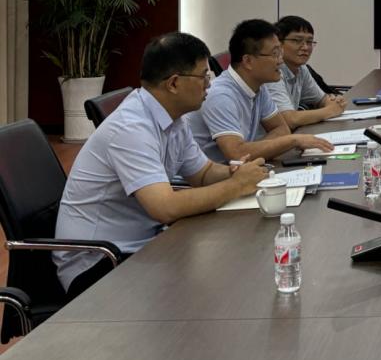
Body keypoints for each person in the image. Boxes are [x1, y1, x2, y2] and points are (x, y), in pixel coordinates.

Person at [54, 32, 270, 297]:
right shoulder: (131, 128)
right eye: (203, 76)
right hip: (98, 262)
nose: (209, 85)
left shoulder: (174, 119)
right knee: (216, 286)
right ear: (174, 83)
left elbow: (202, 173)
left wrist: (236, 172)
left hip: (144, 244)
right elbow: (165, 208)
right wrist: (236, 186)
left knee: (228, 269)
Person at [186, 19, 334, 162]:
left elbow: (281, 129)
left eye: (280, 53)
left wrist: (254, 150)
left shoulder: (259, 87)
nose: (281, 60)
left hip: (243, 169)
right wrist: (292, 141)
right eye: (275, 54)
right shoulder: (220, 95)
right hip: (212, 175)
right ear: (248, 61)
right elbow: (237, 154)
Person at [263, 15, 347, 128]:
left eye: (309, 42)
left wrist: (335, 102)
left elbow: (322, 100)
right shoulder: (272, 72)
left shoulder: (302, 69)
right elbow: (288, 119)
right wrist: (331, 110)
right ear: (279, 43)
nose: (305, 47)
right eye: (297, 41)